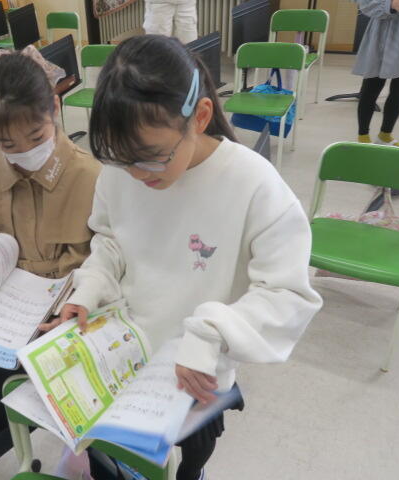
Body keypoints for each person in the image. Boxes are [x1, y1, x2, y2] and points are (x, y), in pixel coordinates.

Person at [47, 35, 323, 480]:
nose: (137, 174)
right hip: (123, 356)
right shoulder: (122, 169)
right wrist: (90, 288)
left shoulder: (254, 184)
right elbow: (112, 240)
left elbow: (288, 294)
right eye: (121, 159)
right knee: (109, 460)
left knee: (187, 462)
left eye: (153, 158)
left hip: (197, 372)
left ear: (201, 117)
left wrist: (211, 332)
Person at [0, 47, 102, 280]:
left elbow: (103, 257)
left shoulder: (89, 175)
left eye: (37, 137)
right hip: (4, 286)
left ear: (55, 107)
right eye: (8, 144)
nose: (26, 151)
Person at [354, 0, 399, 144]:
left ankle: (385, 135)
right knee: (371, 87)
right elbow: (363, 2)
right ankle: (363, 136)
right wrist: (390, 4)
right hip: (384, 35)